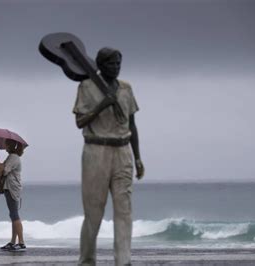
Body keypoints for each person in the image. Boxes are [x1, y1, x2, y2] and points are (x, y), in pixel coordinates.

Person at [73, 47, 144, 265]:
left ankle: (124, 261)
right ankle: (86, 260)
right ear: (100, 65)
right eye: (111, 64)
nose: (115, 67)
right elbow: (79, 122)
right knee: (94, 212)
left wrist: (138, 157)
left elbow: (132, 123)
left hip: (122, 151)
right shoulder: (87, 86)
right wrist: (101, 105)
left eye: (118, 63)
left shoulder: (126, 88)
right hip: (96, 151)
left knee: (124, 210)